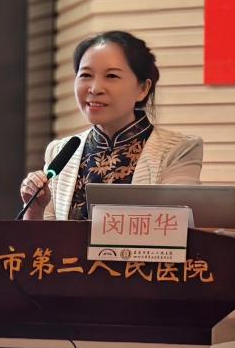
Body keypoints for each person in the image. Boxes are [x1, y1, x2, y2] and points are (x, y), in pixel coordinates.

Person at [20, 30, 203, 220]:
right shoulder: (60, 151)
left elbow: (176, 225)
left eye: (112, 76)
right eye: (86, 75)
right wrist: (35, 208)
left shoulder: (178, 150)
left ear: (143, 88)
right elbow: (41, 236)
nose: (95, 89)